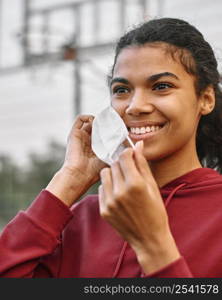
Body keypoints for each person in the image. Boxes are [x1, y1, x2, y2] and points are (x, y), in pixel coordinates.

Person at [1, 17, 222, 278]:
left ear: (205, 99)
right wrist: (71, 179)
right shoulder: (84, 217)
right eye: (122, 90)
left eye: (161, 86)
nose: (135, 106)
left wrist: (153, 245)